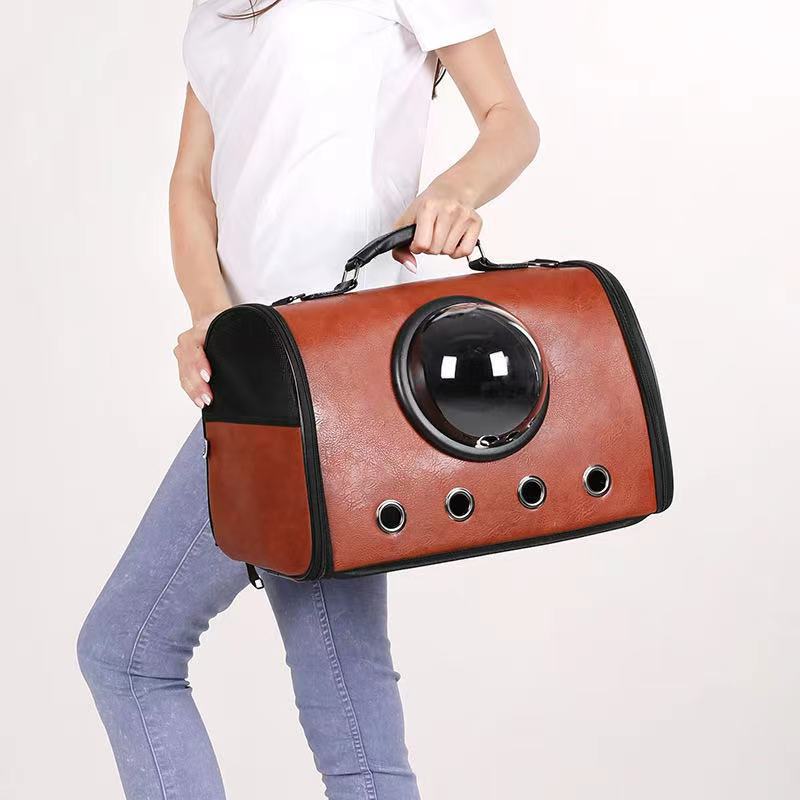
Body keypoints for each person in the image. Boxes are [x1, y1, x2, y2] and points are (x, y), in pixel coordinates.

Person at [77, 1, 539, 798]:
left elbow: (510, 120)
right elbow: (192, 182)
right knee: (352, 725)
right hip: (260, 374)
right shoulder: (216, 10)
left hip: (341, 368)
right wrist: (212, 320)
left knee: (128, 652)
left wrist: (452, 191)